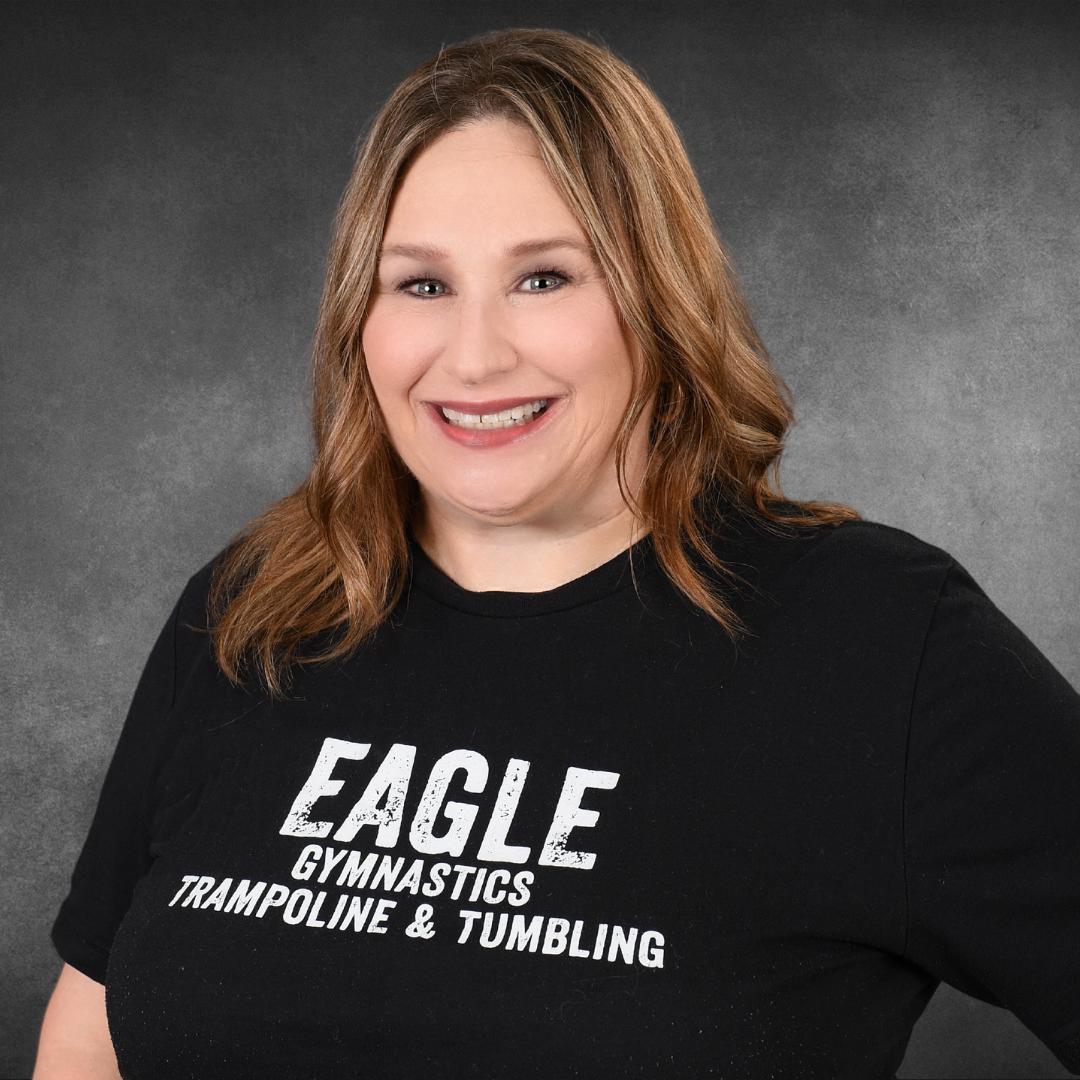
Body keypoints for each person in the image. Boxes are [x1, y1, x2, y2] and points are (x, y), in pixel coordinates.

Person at [35, 28, 1080, 1080]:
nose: (477, 356)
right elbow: (89, 1034)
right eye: (422, 286)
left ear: (655, 301)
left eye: (544, 278)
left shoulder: (883, 643)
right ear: (360, 318)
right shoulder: (253, 607)